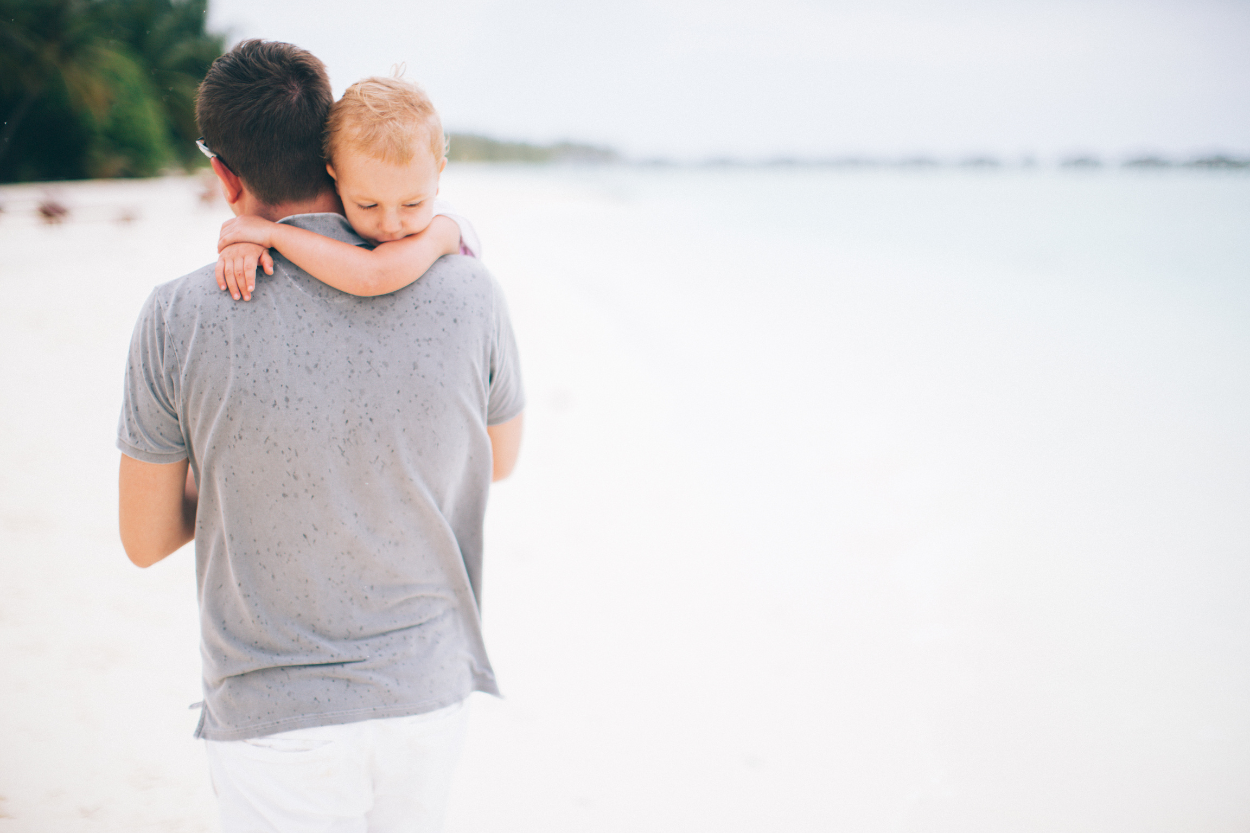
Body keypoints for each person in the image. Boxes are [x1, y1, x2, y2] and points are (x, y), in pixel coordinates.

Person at [116, 39, 524, 832]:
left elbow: (143, 536)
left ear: (226, 176)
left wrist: (242, 460)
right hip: (425, 694)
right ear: (330, 157)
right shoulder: (471, 287)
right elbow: (498, 460)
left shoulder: (178, 314)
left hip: (274, 715)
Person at [212, 73, 482, 303]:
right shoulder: (350, 203)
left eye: (412, 204)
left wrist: (270, 234)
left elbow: (374, 275)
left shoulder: (444, 227)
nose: (389, 225)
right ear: (336, 181)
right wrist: (248, 244)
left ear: (438, 178)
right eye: (368, 205)